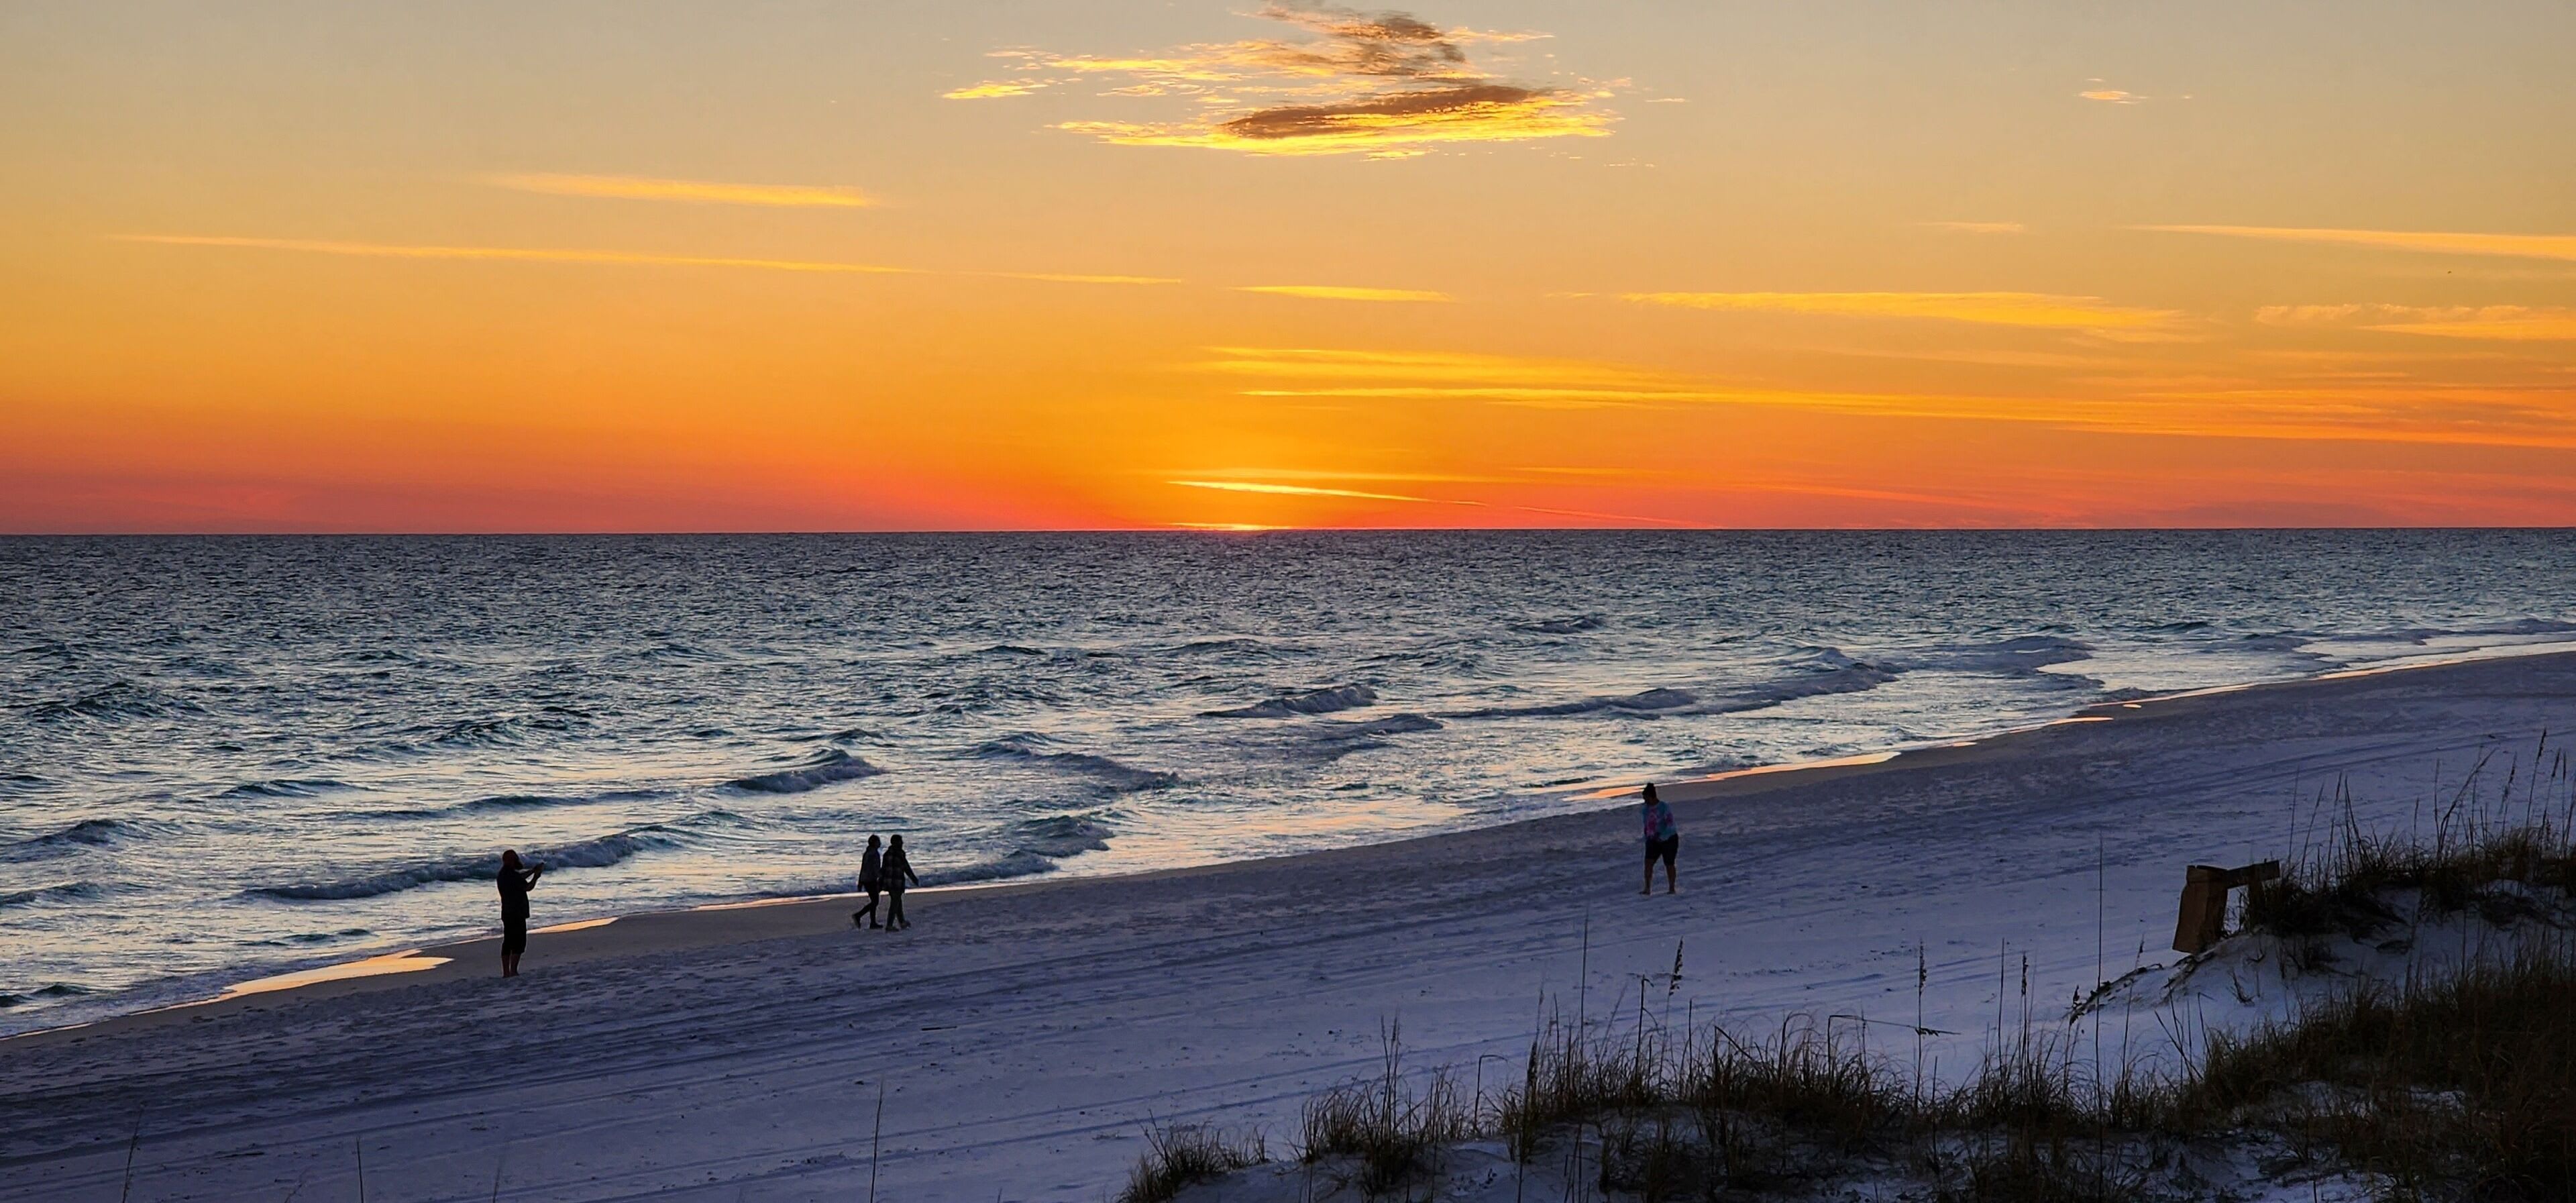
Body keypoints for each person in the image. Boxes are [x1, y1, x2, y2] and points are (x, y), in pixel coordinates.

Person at [497, 849, 545, 976]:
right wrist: (536, 877)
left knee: (508, 941)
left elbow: (520, 877)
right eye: (514, 859)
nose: (516, 861)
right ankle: (513, 970)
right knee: (519, 942)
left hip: (507, 912)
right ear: (509, 860)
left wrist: (532, 871)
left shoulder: (503, 875)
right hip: (517, 912)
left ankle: (506, 972)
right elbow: (528, 887)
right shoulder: (512, 876)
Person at [1640, 784, 1678, 895]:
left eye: (1646, 799)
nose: (1645, 801)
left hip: (1669, 838)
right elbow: (1646, 825)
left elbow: (1671, 825)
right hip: (1653, 839)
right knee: (1648, 863)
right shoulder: (1645, 810)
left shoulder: (1664, 807)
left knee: (1669, 864)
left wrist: (1663, 837)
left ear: (1652, 797)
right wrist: (1647, 836)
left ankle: (1672, 888)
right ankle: (1647, 888)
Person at [880, 834, 920, 931]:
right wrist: (913, 878)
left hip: (889, 882)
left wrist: (881, 882)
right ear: (896, 843)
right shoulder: (900, 854)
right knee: (895, 903)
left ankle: (902, 922)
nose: (902, 843)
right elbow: (906, 867)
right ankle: (889, 925)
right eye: (900, 841)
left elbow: (883, 870)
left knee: (898, 902)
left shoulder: (887, 854)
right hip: (897, 882)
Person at [851, 835, 885, 929]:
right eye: (878, 841)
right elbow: (875, 868)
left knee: (874, 901)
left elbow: (863, 868)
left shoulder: (867, 853)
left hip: (866, 879)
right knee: (875, 901)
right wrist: (881, 877)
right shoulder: (874, 853)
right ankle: (859, 915)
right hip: (871, 880)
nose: (880, 843)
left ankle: (873, 923)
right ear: (874, 843)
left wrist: (860, 882)